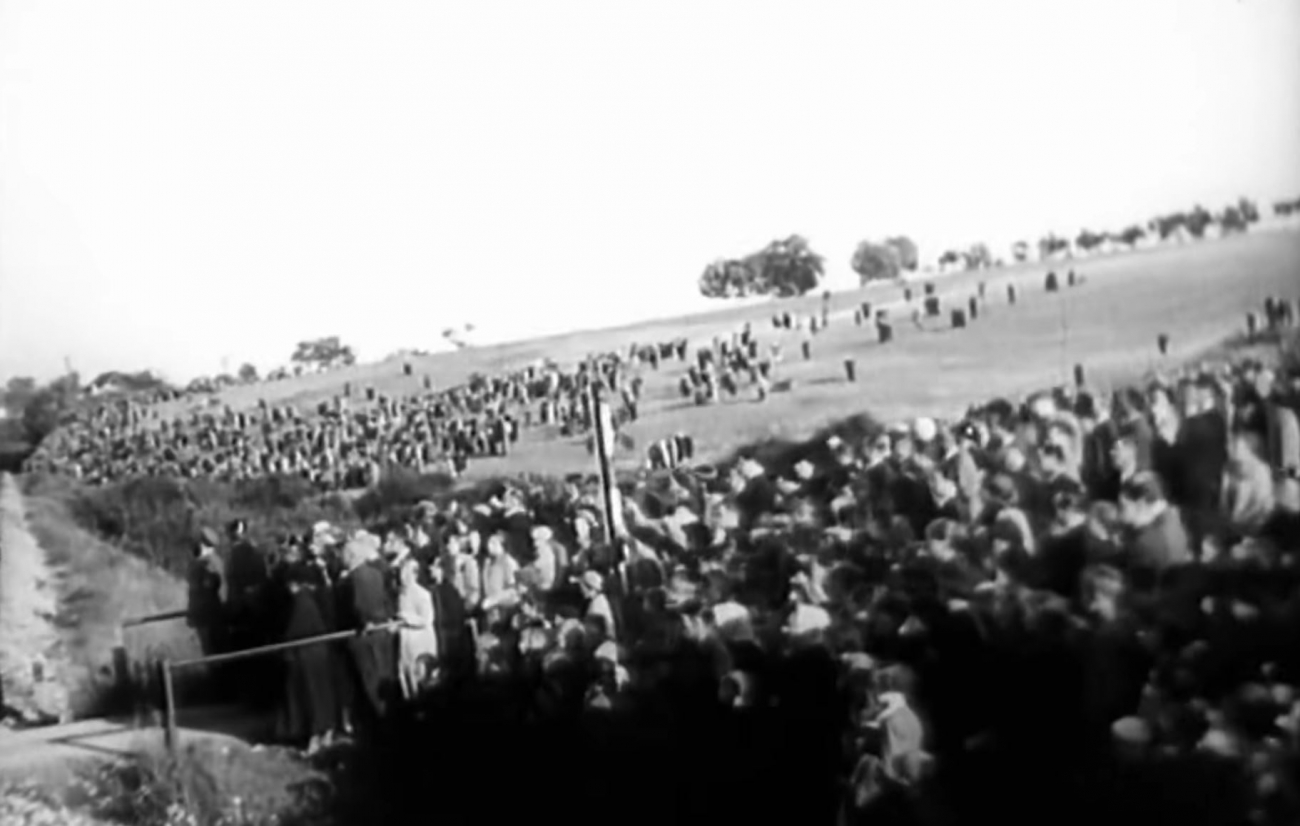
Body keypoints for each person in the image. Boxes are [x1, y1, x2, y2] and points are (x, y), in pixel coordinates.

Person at [279, 562, 340, 754]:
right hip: (320, 652)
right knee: (322, 693)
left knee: (311, 695)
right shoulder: (318, 596)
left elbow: (296, 629)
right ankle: (327, 731)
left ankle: (316, 734)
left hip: (306, 655)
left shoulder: (301, 601)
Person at [395, 557, 438, 700]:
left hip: (420, 641)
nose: (403, 577)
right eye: (401, 573)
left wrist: (406, 618)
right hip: (406, 641)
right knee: (406, 674)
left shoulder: (422, 594)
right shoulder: (401, 594)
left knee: (422, 676)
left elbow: (426, 619)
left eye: (406, 573)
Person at [187, 527, 227, 658]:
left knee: (213, 653)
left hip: (209, 617)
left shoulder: (207, 564)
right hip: (208, 617)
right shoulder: (202, 565)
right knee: (212, 652)